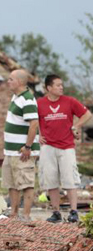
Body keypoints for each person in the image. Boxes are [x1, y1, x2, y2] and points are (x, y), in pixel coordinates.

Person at [37, 74, 92, 223]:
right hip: (48, 147)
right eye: (58, 85)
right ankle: (56, 213)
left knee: (70, 180)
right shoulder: (40, 103)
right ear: (49, 88)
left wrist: (76, 126)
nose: (61, 87)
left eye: (62, 85)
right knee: (51, 181)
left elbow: (87, 114)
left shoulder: (69, 101)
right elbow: (34, 121)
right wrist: (38, 136)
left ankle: (73, 212)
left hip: (67, 147)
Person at [1, 69, 40, 222]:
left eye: (11, 79)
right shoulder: (16, 97)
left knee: (26, 182)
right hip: (10, 151)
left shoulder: (28, 99)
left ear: (20, 82)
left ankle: (26, 215)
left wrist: (28, 147)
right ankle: (14, 213)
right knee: (12, 183)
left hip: (23, 151)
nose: (8, 81)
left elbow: (34, 124)